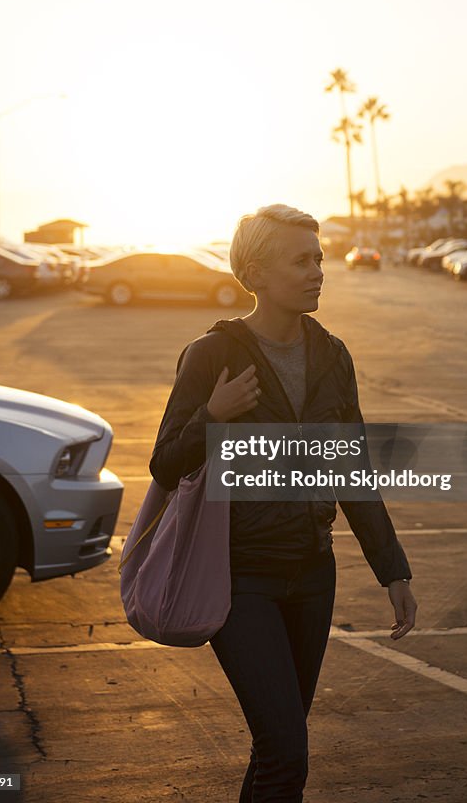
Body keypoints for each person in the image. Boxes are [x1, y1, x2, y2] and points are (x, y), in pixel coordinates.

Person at [149, 204, 417, 803]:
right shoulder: (212, 355)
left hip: (313, 573)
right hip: (240, 578)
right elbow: (165, 464)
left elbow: (353, 470)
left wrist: (391, 568)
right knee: (287, 753)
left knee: (277, 749)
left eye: (318, 258)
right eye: (302, 260)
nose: (319, 271)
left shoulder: (332, 356)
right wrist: (211, 417)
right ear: (257, 272)